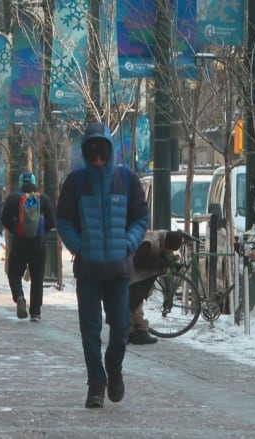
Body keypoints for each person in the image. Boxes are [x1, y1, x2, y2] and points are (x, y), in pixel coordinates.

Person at [56, 121, 149, 409]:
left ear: (110, 152)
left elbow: (140, 220)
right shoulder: (76, 182)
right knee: (90, 330)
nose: (98, 161)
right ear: (86, 154)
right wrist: (79, 246)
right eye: (93, 155)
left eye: (102, 155)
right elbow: (63, 221)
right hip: (89, 270)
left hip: (119, 270)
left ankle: (114, 369)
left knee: (121, 330)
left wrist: (128, 243)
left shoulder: (127, 180)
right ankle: (96, 384)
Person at [1, 172, 55, 322]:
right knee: (37, 278)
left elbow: (4, 219)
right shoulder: (43, 199)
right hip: (38, 243)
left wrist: (15, 230)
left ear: (20, 183)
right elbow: (51, 220)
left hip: (20, 242)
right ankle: (36, 312)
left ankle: (19, 296)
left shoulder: (14, 198)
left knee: (14, 273)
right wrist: (42, 232)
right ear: (34, 182)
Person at [128, 230, 185, 345]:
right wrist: (164, 263)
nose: (169, 252)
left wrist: (169, 263)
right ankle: (136, 330)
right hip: (132, 273)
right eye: (169, 249)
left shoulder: (161, 239)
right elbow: (140, 261)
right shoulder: (151, 242)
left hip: (135, 275)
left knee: (135, 301)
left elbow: (160, 257)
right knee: (134, 299)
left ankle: (133, 330)